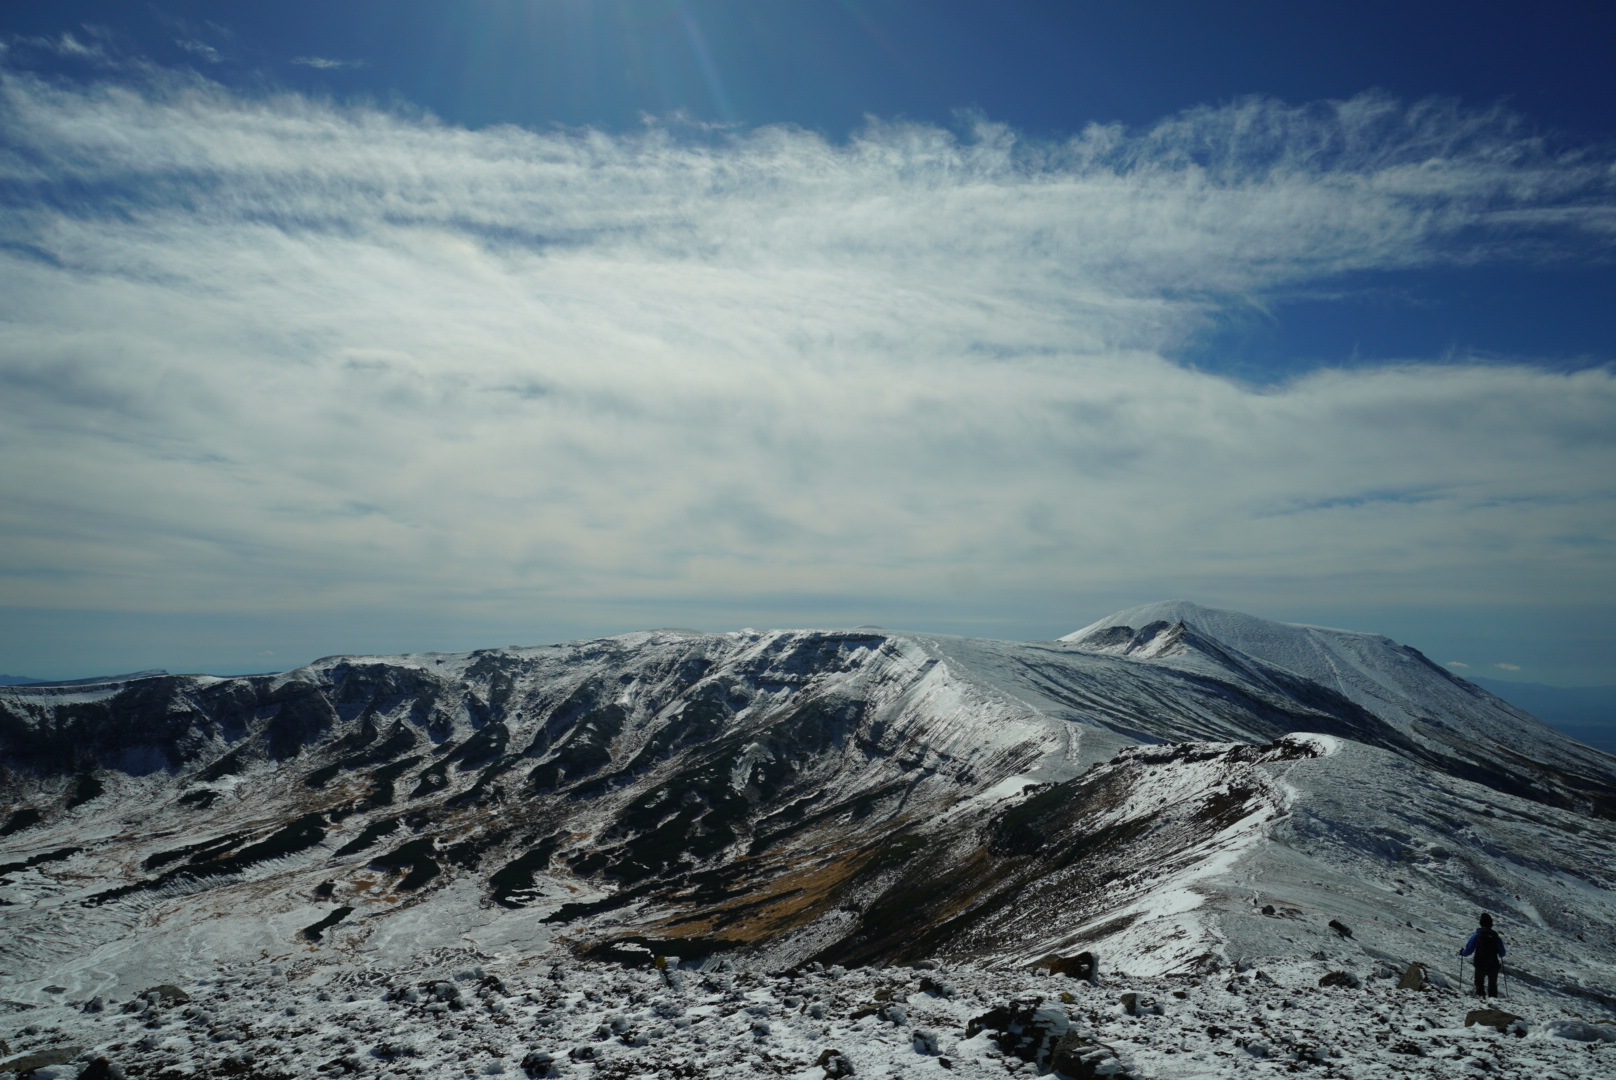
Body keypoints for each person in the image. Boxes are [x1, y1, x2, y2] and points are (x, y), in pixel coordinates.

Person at [1459, 912, 1506, 997]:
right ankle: (1493, 1003)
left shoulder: (1476, 935)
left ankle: (1481, 1002)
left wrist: (1462, 953)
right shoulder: (1496, 937)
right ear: (1491, 924)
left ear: (1480, 923)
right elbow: (1502, 953)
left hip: (1480, 964)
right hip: (1493, 965)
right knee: (1492, 986)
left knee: (1479, 984)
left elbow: (1469, 951)